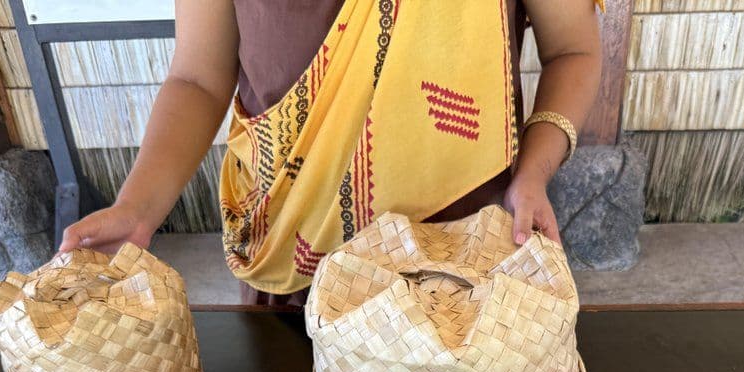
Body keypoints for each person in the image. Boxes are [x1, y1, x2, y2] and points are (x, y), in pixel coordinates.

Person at [59, 0, 602, 305]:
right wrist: (136, 208)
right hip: (297, 275)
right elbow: (198, 77)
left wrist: (533, 174)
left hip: (465, 274)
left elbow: (572, 50)